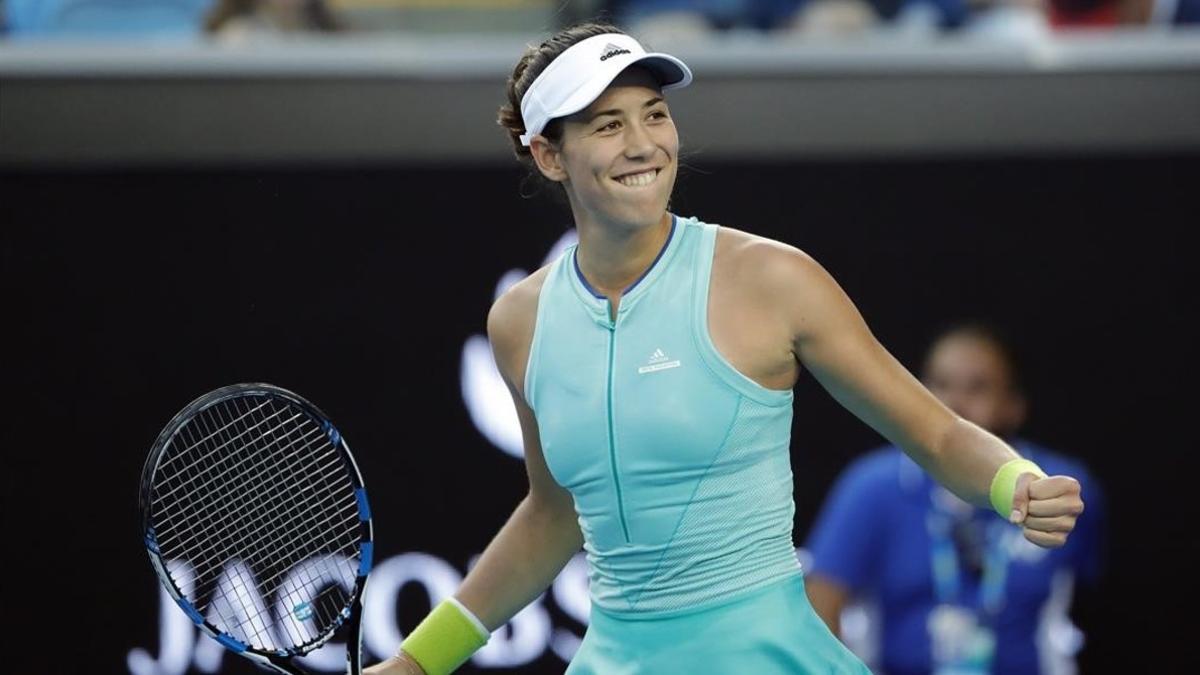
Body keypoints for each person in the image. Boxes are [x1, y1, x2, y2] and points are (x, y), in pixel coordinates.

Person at [366, 21, 1085, 675]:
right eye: (608, 125)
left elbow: (933, 429)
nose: (644, 143)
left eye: (655, 114)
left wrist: (1012, 481)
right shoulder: (518, 323)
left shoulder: (775, 278)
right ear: (550, 155)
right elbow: (552, 515)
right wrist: (417, 662)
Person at [804, 323, 1106, 674]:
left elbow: (1092, 600)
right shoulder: (871, 487)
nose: (954, 404)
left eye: (978, 387)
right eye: (940, 385)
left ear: (1014, 405)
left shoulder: (1060, 485)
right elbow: (820, 609)